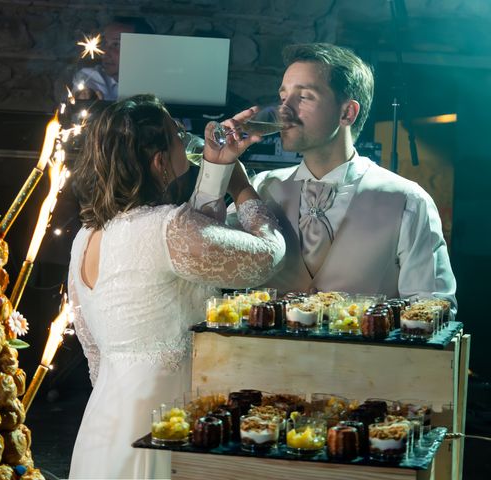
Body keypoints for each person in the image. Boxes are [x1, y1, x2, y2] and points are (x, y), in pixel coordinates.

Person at [67, 94, 285, 479]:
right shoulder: (168, 229)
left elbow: (93, 351)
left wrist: (216, 167)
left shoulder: (86, 236)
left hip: (104, 424)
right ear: (159, 161)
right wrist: (241, 186)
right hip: (164, 425)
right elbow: (266, 256)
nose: (186, 139)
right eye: (175, 134)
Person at [226, 43, 456, 306]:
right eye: (283, 97)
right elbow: (201, 259)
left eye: (304, 97)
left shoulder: (408, 200)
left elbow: (431, 309)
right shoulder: (259, 187)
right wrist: (217, 165)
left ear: (347, 112)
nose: (283, 111)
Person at [72, 17, 154, 101]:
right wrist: (89, 97)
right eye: (105, 43)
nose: (104, 53)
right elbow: (87, 90)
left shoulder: (156, 83)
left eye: (116, 44)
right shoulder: (90, 76)